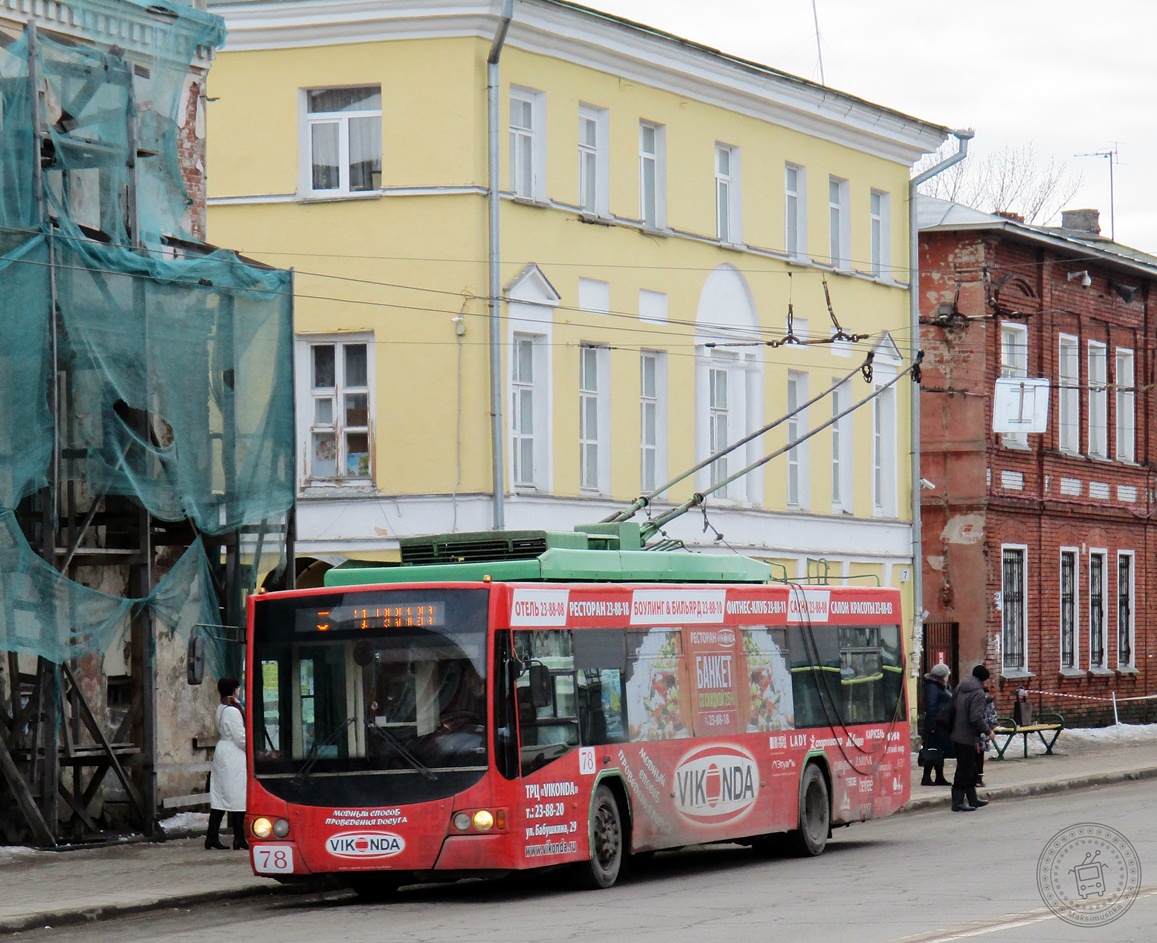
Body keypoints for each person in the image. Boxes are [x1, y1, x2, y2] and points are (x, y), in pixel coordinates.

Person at [206, 677, 248, 850]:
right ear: (234, 689)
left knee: (221, 797)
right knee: (238, 796)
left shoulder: (222, 707)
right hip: (233, 754)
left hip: (223, 751)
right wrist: (252, 748)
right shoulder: (233, 710)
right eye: (238, 688)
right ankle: (239, 837)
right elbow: (240, 737)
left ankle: (212, 836)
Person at [949, 664, 995, 812]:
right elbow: (975, 717)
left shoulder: (961, 686)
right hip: (966, 735)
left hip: (957, 731)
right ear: (984, 680)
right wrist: (988, 731)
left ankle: (972, 799)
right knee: (964, 769)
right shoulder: (978, 693)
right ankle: (957, 802)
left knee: (969, 768)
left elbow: (953, 705)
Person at [920, 663, 953, 786]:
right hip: (936, 725)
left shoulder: (941, 686)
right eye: (947, 675)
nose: (948, 677)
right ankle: (926, 777)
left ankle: (939, 776)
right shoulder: (933, 687)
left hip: (942, 724)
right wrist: (932, 725)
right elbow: (931, 706)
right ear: (941, 676)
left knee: (939, 751)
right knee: (932, 750)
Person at [976, 681, 998, 786]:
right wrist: (990, 728)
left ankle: (971, 777)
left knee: (970, 756)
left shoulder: (968, 698)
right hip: (982, 731)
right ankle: (978, 778)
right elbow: (992, 717)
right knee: (980, 755)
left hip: (969, 733)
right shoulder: (988, 701)